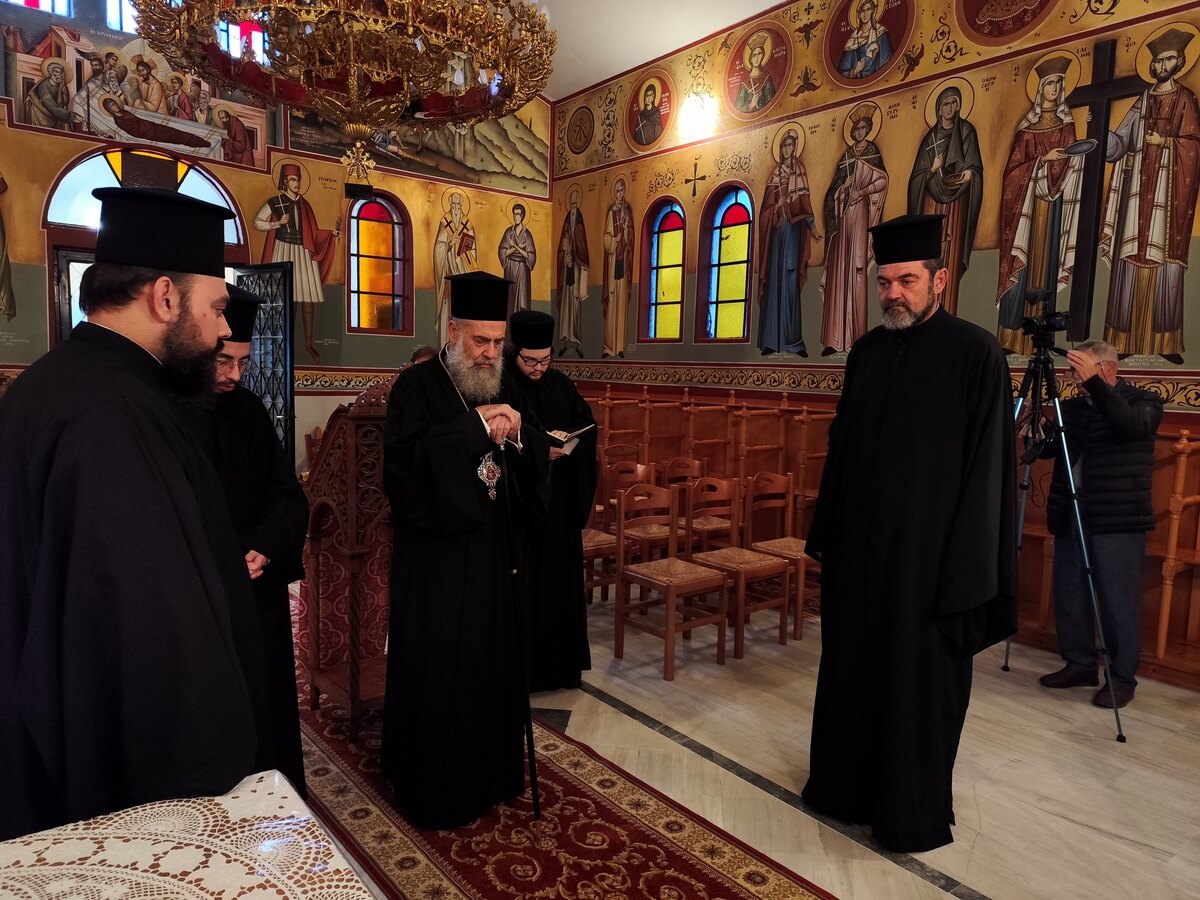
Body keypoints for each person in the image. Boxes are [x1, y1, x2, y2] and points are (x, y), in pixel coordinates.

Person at [0, 187, 273, 840]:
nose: (224, 330)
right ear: (166, 298)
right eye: (217, 308)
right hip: (110, 774)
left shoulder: (53, 382)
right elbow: (151, 630)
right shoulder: (117, 415)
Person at [803, 214, 1017, 853]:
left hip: (929, 568)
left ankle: (906, 812)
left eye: (907, 281)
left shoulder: (977, 354)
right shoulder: (867, 353)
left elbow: (988, 472)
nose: (892, 294)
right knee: (852, 676)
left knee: (916, 689)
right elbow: (842, 452)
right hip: (863, 560)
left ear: (939, 280)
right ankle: (842, 791)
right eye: (884, 282)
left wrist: (965, 573)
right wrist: (830, 537)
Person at [381, 272, 549, 829]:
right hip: (439, 568)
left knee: (489, 671)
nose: (491, 353)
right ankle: (437, 788)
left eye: (498, 342)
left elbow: (530, 457)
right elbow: (405, 471)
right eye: (481, 341)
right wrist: (474, 428)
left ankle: (493, 775)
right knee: (440, 677)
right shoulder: (415, 389)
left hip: (494, 563)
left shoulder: (505, 384)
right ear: (453, 333)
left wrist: (519, 436)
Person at [186, 285, 311, 794]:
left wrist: (265, 547)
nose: (234, 375)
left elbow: (287, 496)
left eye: (242, 362)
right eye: (223, 361)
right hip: (200, 593)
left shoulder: (252, 411)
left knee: (264, 704)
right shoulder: (167, 412)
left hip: (257, 590)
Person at [1038, 341, 1162, 709]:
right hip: (1072, 511)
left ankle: (1121, 678)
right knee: (1070, 592)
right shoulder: (1073, 408)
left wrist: (1095, 385)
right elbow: (1050, 450)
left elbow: (1128, 428)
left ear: (1108, 368)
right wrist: (1037, 430)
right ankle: (1080, 664)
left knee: (1117, 599)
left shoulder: (1144, 401)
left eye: (1081, 371)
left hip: (1117, 517)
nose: (1075, 379)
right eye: (1074, 372)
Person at [505, 310, 597, 691]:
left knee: (559, 587)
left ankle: (561, 668)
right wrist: (541, 450)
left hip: (559, 505)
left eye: (544, 360)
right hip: (524, 509)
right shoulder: (503, 386)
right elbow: (502, 442)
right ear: (515, 354)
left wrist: (571, 442)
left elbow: (587, 424)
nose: (538, 368)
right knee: (525, 590)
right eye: (530, 361)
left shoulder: (561, 384)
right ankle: (524, 672)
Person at [1100, 27, 1200, 363]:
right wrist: (1102, 132)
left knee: (1165, 266)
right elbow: (1121, 142)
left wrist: (1166, 143)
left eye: (1168, 59)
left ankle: (1165, 343)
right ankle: (1124, 338)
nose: (1162, 65)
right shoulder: (1142, 100)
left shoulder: (1185, 100)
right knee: (1129, 260)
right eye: (1158, 60)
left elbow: (1193, 146)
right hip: (1136, 194)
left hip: (1168, 198)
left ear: (1180, 62)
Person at [996, 56, 1086, 357]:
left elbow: (1073, 160)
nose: (1055, 88)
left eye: (1059, 83)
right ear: (1040, 88)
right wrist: (1041, 162)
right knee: (1021, 265)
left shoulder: (1066, 127)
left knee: (1046, 263)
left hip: (1053, 207)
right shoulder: (1026, 129)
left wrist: (1068, 160)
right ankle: (1011, 336)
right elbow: (1011, 173)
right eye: (1050, 83)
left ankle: (1039, 337)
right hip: (1026, 209)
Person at [907, 85, 983, 315]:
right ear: (939, 108)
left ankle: (947, 311)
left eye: (953, 103)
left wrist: (969, 174)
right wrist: (932, 169)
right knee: (930, 258)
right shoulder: (930, 139)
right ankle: (924, 312)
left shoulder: (966, 132)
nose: (950, 108)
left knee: (950, 254)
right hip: (931, 205)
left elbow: (975, 167)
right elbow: (916, 180)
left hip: (957, 206)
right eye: (946, 104)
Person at [255, 163, 341, 364]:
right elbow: (257, 222)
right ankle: (287, 340)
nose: (297, 184)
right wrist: (277, 223)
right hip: (283, 249)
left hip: (303, 250)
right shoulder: (275, 201)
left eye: (298, 180)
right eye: (293, 180)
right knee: (289, 297)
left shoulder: (305, 204)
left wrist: (330, 233)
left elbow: (313, 232)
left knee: (308, 296)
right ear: (285, 181)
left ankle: (309, 343)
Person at [819, 106, 888, 355]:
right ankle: (834, 340)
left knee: (856, 271)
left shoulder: (872, 153)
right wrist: (843, 188)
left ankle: (856, 340)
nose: (859, 132)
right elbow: (832, 194)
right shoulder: (846, 157)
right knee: (839, 273)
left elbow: (882, 181)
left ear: (868, 130)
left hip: (860, 217)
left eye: (863, 128)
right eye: (856, 128)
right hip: (843, 219)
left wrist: (863, 191)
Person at [758, 128, 821, 357]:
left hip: (794, 231)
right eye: (784, 145)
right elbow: (764, 210)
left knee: (791, 280)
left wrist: (813, 229)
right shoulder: (775, 174)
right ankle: (770, 341)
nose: (787, 149)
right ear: (780, 148)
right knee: (774, 280)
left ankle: (793, 342)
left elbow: (805, 203)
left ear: (795, 148)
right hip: (776, 232)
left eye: (791, 145)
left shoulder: (799, 171)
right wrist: (774, 207)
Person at [433, 191, 477, 345]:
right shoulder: (444, 222)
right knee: (448, 311)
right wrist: (449, 245)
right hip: (449, 274)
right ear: (449, 204)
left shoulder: (468, 224)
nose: (456, 207)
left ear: (462, 204)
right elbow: (439, 247)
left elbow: (471, 252)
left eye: (458, 204)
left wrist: (462, 250)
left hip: (463, 275)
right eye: (453, 204)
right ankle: (446, 344)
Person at [602, 178, 634, 358]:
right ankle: (608, 347)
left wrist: (626, 229)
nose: (620, 194)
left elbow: (631, 237)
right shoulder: (611, 212)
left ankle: (620, 346)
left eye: (622, 190)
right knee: (612, 300)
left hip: (624, 259)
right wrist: (615, 239)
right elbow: (606, 238)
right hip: (614, 260)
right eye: (617, 190)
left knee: (621, 303)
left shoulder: (627, 211)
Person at [556, 188, 589, 356]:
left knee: (575, 305)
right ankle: (565, 337)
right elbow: (561, 247)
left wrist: (574, 257)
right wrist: (565, 257)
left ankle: (575, 338)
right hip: (566, 271)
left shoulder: (580, 220)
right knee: (566, 307)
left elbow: (582, 247)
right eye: (572, 204)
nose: (574, 207)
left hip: (575, 270)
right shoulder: (567, 221)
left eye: (576, 203)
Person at [499, 203, 537, 316]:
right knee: (509, 299)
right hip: (510, 268)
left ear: (522, 216)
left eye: (518, 214)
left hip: (523, 270)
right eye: (514, 214)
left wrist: (514, 247)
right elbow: (503, 252)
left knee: (522, 301)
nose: (515, 216)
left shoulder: (527, 235)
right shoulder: (508, 232)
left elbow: (531, 256)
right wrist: (518, 247)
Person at [838, 0, 892, 79]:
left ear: (872, 11)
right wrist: (855, 71)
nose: (865, 14)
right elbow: (843, 73)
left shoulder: (880, 33)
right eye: (862, 11)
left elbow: (887, 62)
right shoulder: (853, 39)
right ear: (859, 14)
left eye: (868, 9)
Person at [735, 32, 776, 114]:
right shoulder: (744, 83)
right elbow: (738, 109)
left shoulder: (767, 78)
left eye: (759, 54)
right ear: (750, 59)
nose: (757, 58)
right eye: (754, 55)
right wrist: (751, 105)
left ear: (763, 56)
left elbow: (772, 102)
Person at [25, 59, 72, 131]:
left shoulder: (61, 85)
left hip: (56, 113)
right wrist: (71, 116)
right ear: (51, 73)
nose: (59, 75)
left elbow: (63, 104)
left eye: (61, 73)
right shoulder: (43, 86)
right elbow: (50, 106)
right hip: (42, 116)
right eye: (56, 72)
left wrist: (61, 88)